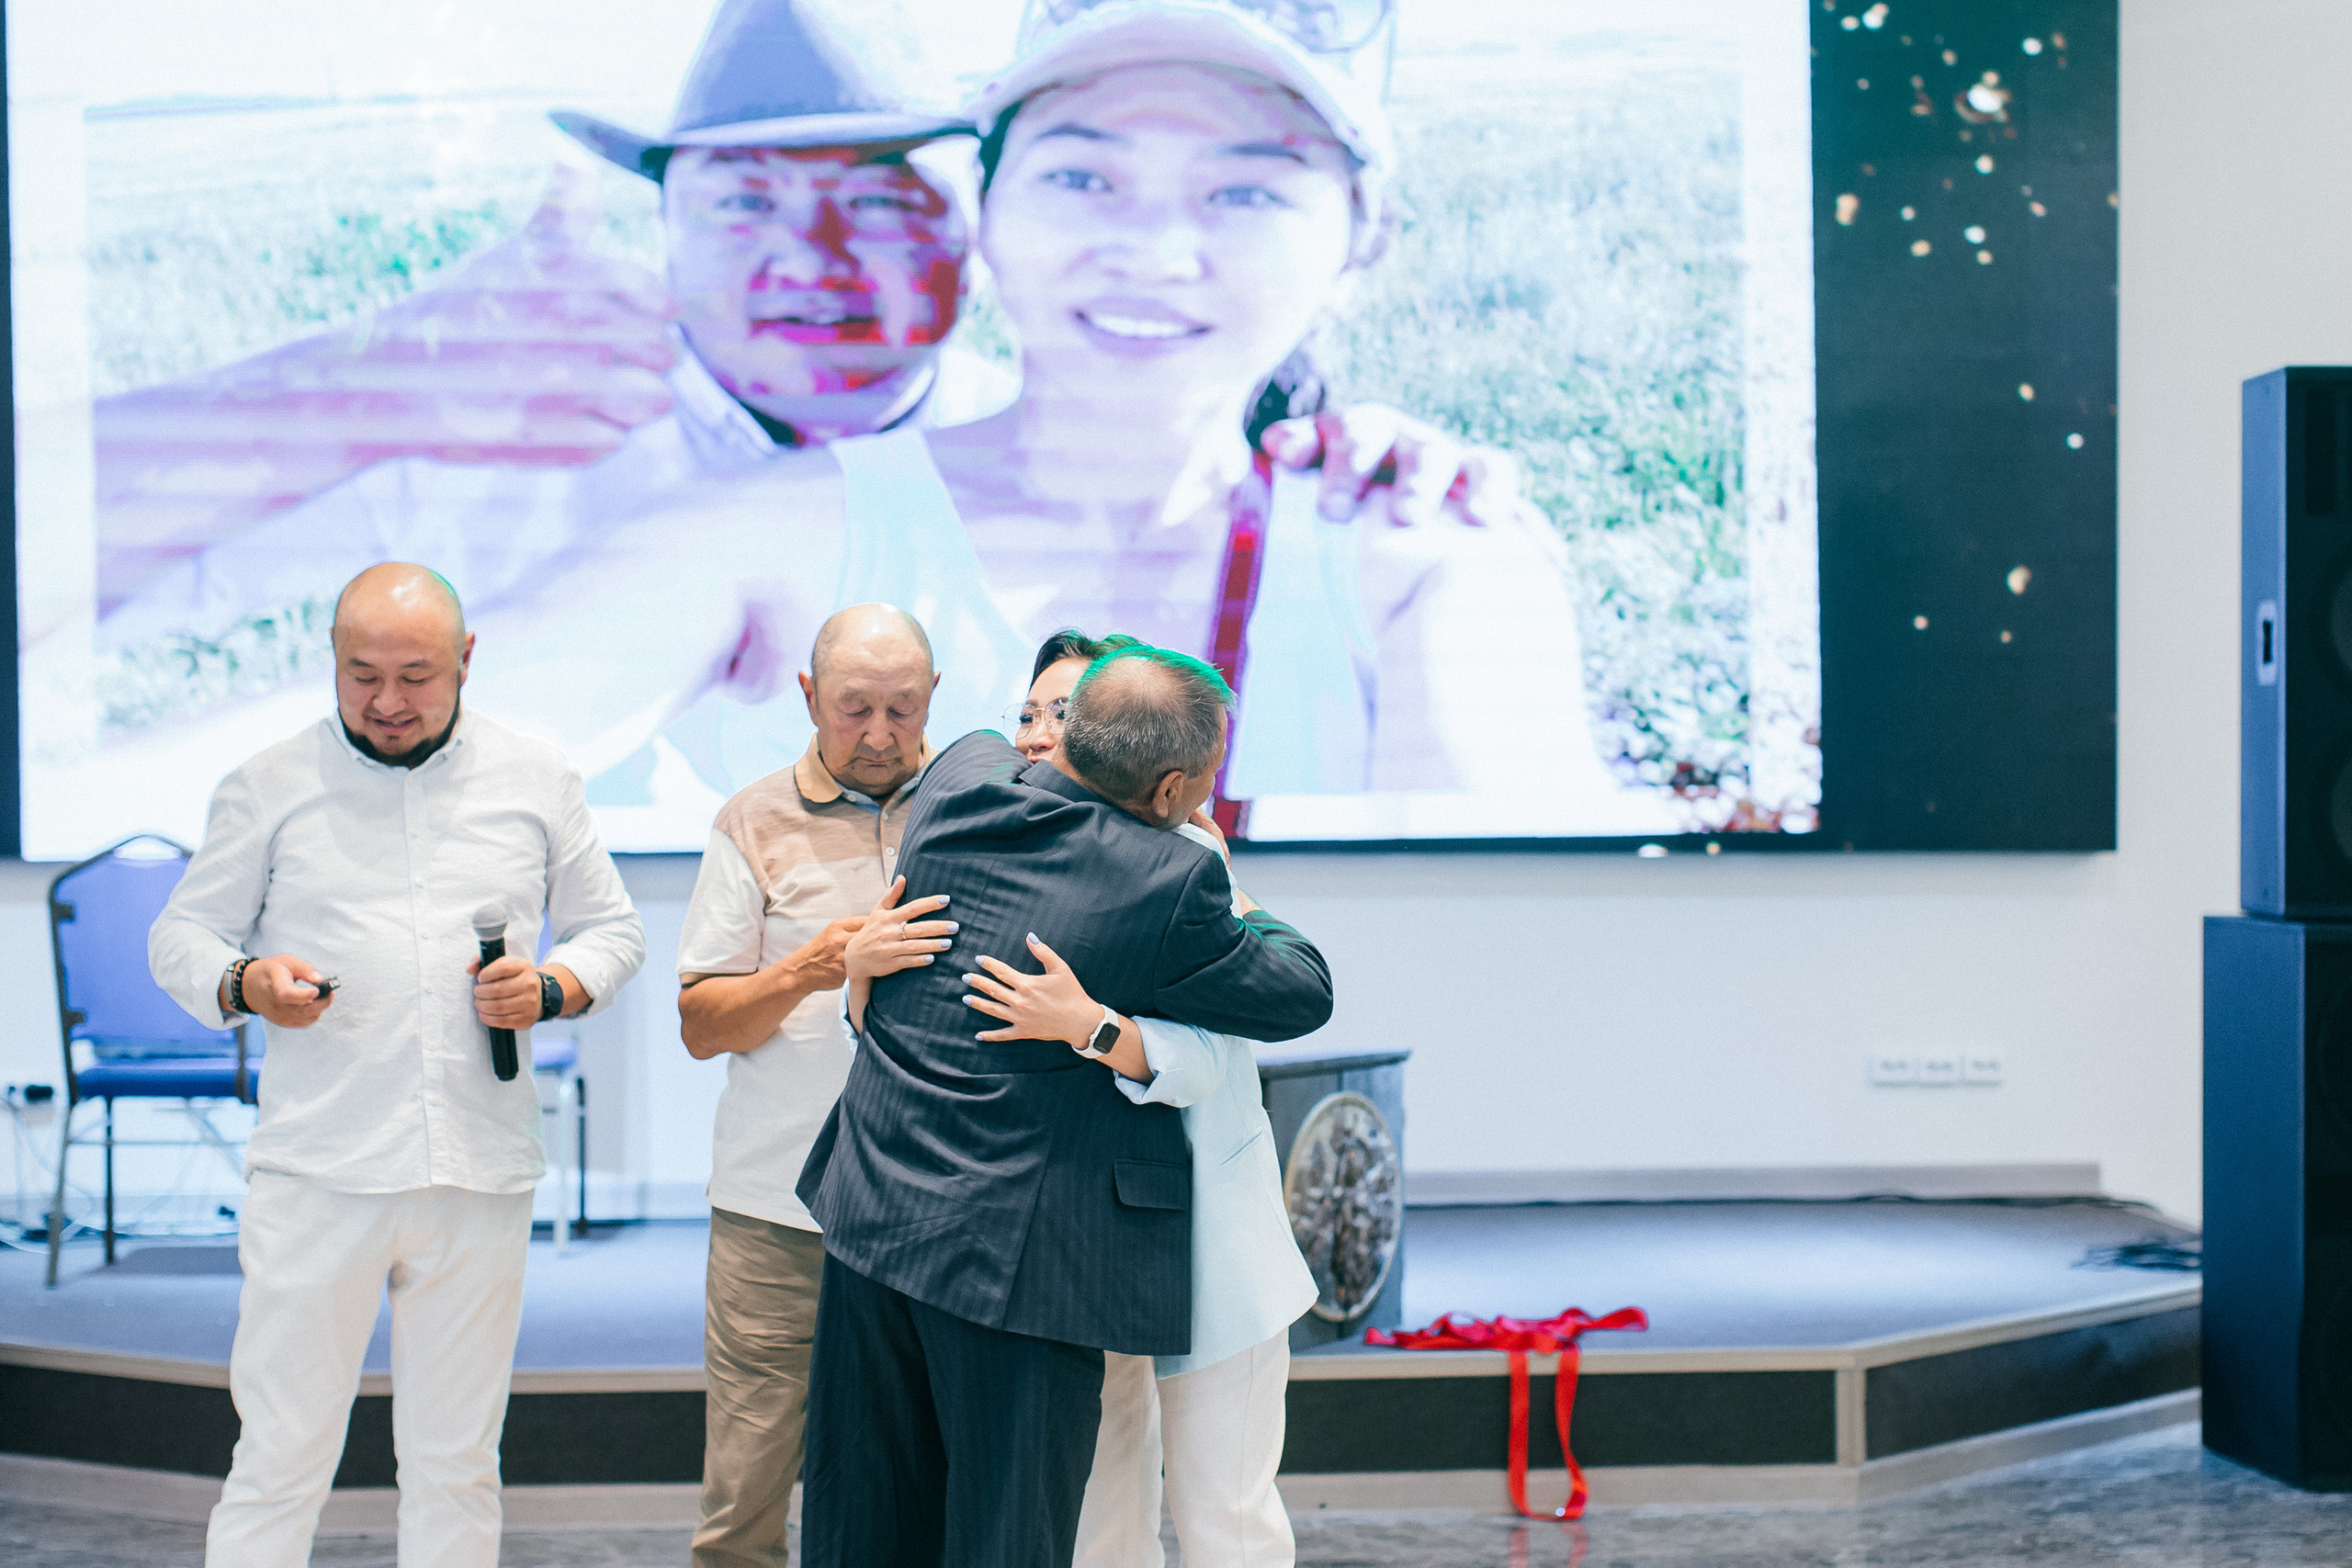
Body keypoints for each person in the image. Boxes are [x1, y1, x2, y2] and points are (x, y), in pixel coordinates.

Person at [82, 0, 1518, 846]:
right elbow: (417, 738)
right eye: (750, 201)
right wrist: (343, 386)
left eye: (882, 203)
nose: (818, 263)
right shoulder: (600, 475)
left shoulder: (1394, 541)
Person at [514, 0, 1675, 840]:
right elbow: (437, 746)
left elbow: (1518, 928)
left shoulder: (1417, 555)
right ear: (990, 210)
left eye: (1245, 190)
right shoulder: (778, 530)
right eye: (1082, 176)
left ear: (1359, 241)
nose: (1153, 251)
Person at [146, 563, 648, 1567]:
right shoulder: (267, 784)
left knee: (457, 1461)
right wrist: (246, 981)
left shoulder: (536, 774)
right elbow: (180, 937)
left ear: (467, 660)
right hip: (318, 1171)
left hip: (478, 1167)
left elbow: (613, 933)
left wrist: (550, 988)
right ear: (331, 664)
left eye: (415, 675)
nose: (386, 702)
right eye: (359, 674)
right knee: (280, 1455)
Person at [799, 642, 1332, 1567]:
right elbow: (1300, 990)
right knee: (1011, 1535)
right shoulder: (1168, 882)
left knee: (867, 1522)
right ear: (1171, 791)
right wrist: (1208, 855)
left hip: (876, 1218)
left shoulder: (960, 775)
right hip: (1023, 1264)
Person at [1001, 629, 1315, 1567]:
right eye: (1029, 713)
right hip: (1073, 1245)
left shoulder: (1191, 867)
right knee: (1099, 1515)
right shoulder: (994, 845)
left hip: (1205, 1240)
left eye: (1067, 715)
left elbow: (1217, 1052)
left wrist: (1096, 1027)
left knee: (1227, 1514)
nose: (1040, 736)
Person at [672, 602, 952, 1568]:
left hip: (937, 1212)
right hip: (775, 1212)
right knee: (746, 1500)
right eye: (852, 709)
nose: (878, 736)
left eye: (902, 710)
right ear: (806, 697)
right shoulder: (751, 821)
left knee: (923, 1483)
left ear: (934, 701)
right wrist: (807, 968)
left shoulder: (979, 814)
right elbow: (701, 1025)